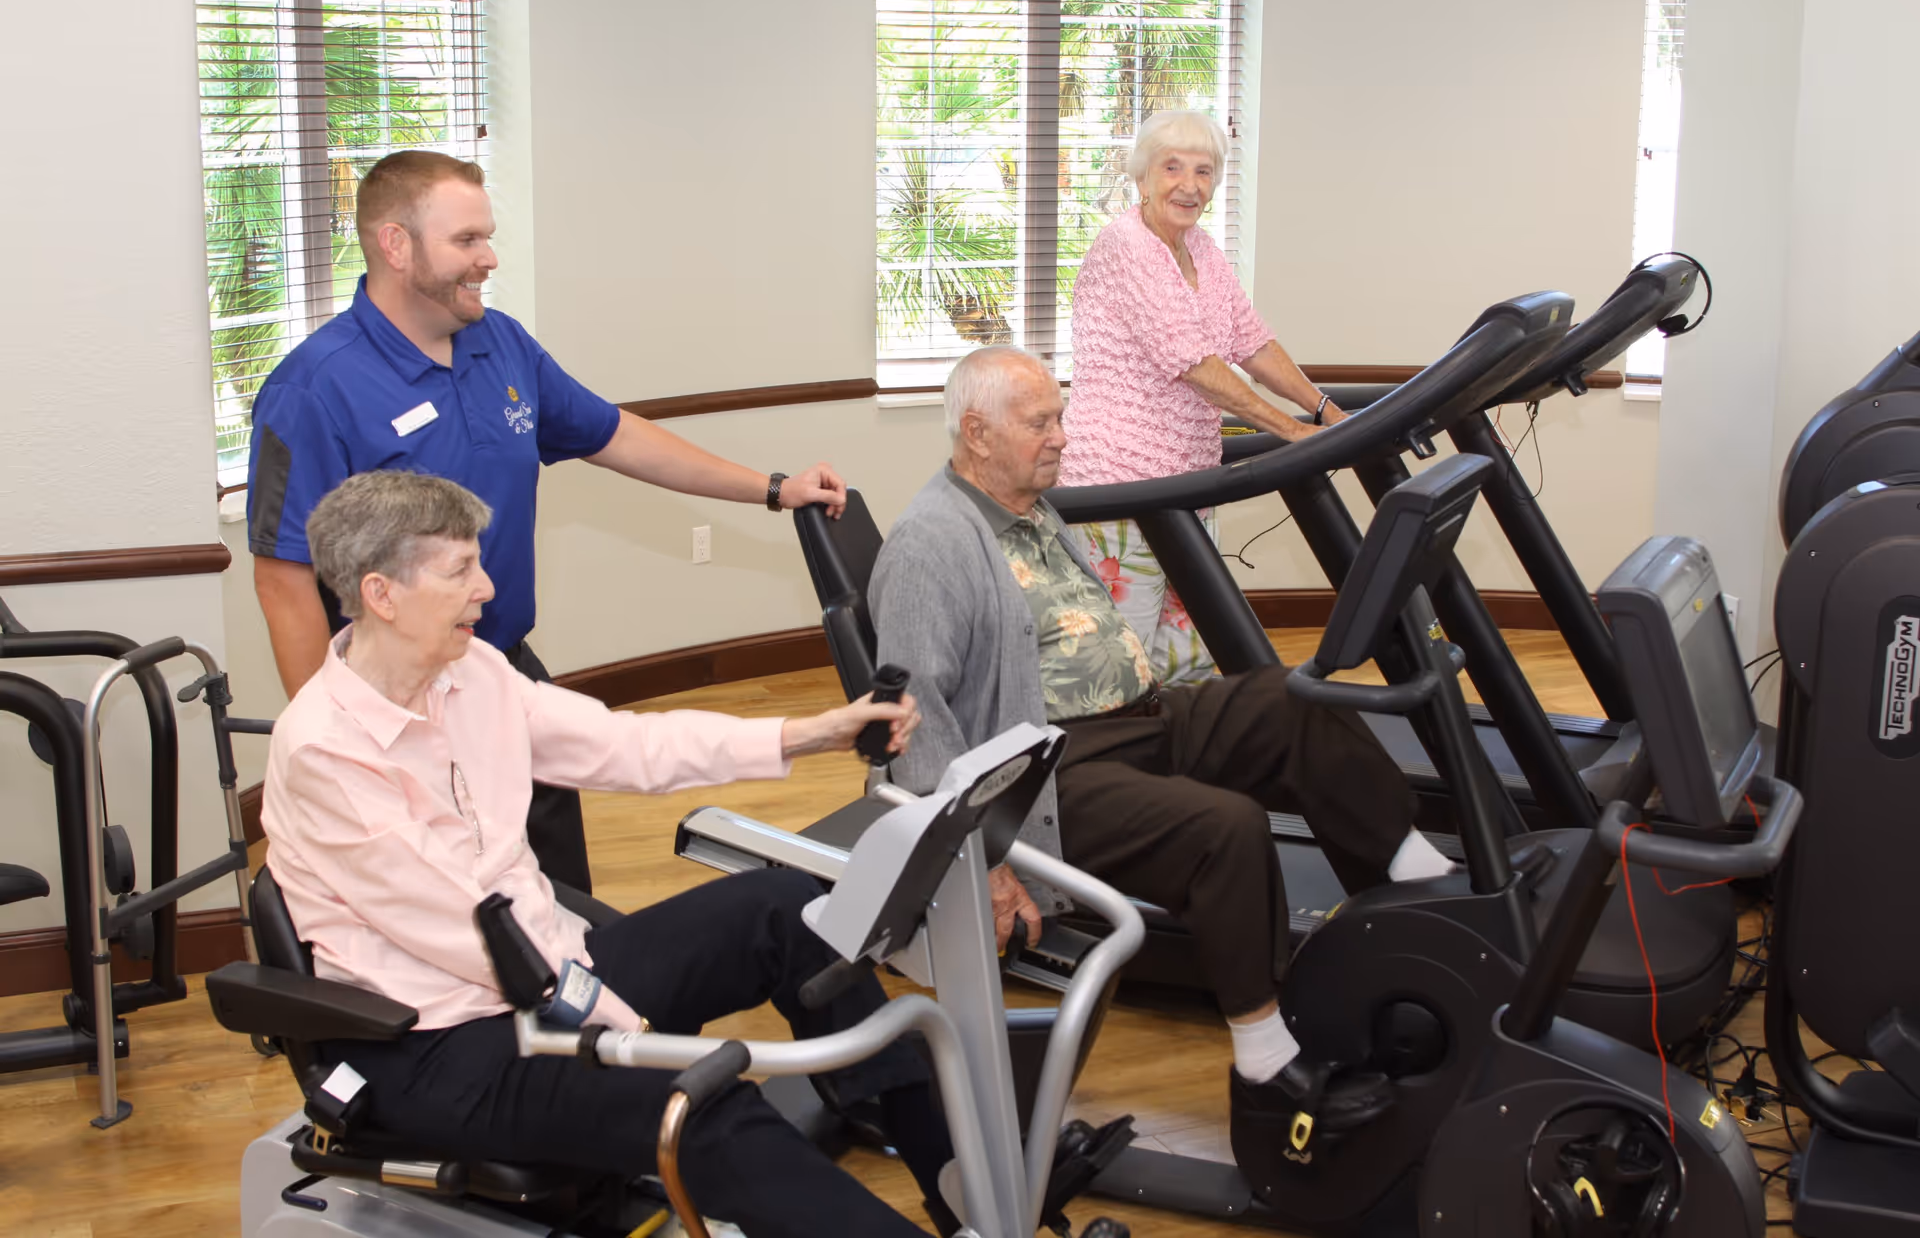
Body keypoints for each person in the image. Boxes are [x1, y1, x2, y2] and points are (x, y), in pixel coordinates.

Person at [262, 470, 949, 1238]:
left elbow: (629, 746)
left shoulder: (474, 672)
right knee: (702, 1108)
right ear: (381, 594)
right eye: (460, 570)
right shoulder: (324, 751)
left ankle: (944, 1171)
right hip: (440, 1046)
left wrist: (812, 731)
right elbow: (470, 937)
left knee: (791, 911)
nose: (487, 588)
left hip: (551, 977)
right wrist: (637, 1038)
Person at [871, 347, 1460, 1135]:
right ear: (975, 434)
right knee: (1223, 829)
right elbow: (908, 721)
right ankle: (1264, 1063)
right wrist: (986, 856)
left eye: (1061, 418)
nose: (1062, 438)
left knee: (1294, 705)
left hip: (1138, 720)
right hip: (1040, 772)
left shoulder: (1029, 508)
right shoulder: (929, 545)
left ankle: (1421, 904)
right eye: (1040, 422)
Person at [246, 148, 846, 896]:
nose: (489, 258)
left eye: (487, 237)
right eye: (467, 240)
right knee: (450, 914)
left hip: (498, 670)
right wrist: (337, 741)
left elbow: (616, 435)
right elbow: (282, 577)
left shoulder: (501, 344)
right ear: (396, 245)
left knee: (560, 900)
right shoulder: (309, 388)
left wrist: (771, 488)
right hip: (394, 698)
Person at [1062, 109, 1347, 685]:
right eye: (1172, 168)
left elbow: (1251, 341)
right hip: (1120, 486)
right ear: (1142, 178)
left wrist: (1326, 412)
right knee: (1122, 653)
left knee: (1188, 652)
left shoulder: (1203, 249)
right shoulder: (1127, 246)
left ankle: (1174, 764)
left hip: (1188, 482)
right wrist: (1293, 433)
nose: (1189, 185)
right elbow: (1196, 364)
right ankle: (1094, 768)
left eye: (1204, 171)